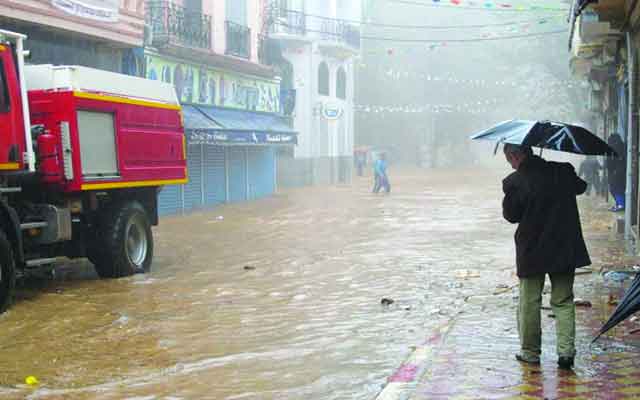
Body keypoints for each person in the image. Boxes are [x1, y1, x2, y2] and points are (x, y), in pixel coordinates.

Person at [501, 143, 591, 370]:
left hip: (532, 250)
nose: (509, 164)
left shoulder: (515, 181)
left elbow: (511, 216)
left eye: (509, 159)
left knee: (530, 301)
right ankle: (566, 353)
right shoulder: (563, 171)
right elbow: (581, 187)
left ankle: (530, 352)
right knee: (563, 300)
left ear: (516, 155)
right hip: (564, 247)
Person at [606, 133, 626, 211]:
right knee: (618, 189)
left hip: (616, 173)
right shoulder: (623, 146)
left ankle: (620, 205)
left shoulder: (613, 148)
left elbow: (610, 162)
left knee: (615, 189)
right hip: (620, 172)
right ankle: (620, 204)